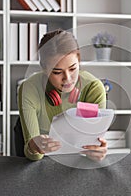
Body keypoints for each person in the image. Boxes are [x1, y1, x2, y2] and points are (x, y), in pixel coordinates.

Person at [18, 29, 107, 161]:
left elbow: (92, 145)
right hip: (39, 160)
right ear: (44, 68)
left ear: (79, 62)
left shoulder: (93, 88)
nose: (67, 79)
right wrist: (34, 146)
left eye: (72, 69)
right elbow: (34, 156)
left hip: (76, 158)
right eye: (57, 72)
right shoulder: (29, 88)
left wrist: (97, 152)